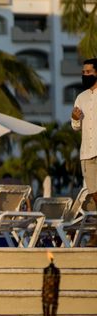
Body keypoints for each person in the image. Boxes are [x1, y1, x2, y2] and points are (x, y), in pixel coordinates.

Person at [72, 58, 97, 244]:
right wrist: (74, 118)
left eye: (88, 72)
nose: (85, 75)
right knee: (95, 195)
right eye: (83, 72)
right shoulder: (81, 97)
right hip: (87, 153)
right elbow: (76, 127)